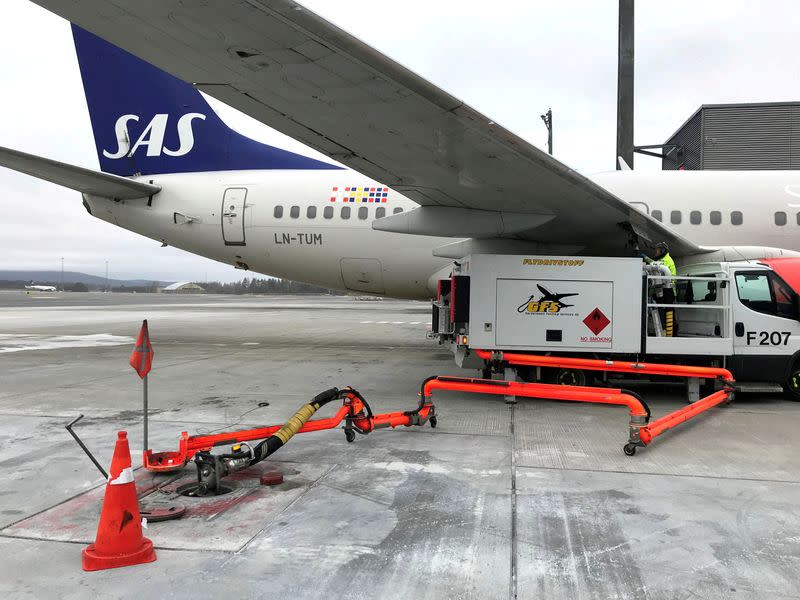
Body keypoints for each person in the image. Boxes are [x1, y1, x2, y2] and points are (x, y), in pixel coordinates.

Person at [642, 242, 677, 336]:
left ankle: (669, 335)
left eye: (657, 250)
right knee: (663, 315)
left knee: (667, 316)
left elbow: (658, 266)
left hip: (667, 291)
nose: (655, 252)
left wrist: (646, 259)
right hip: (664, 290)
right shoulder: (664, 259)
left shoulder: (666, 261)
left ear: (662, 251)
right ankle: (665, 334)